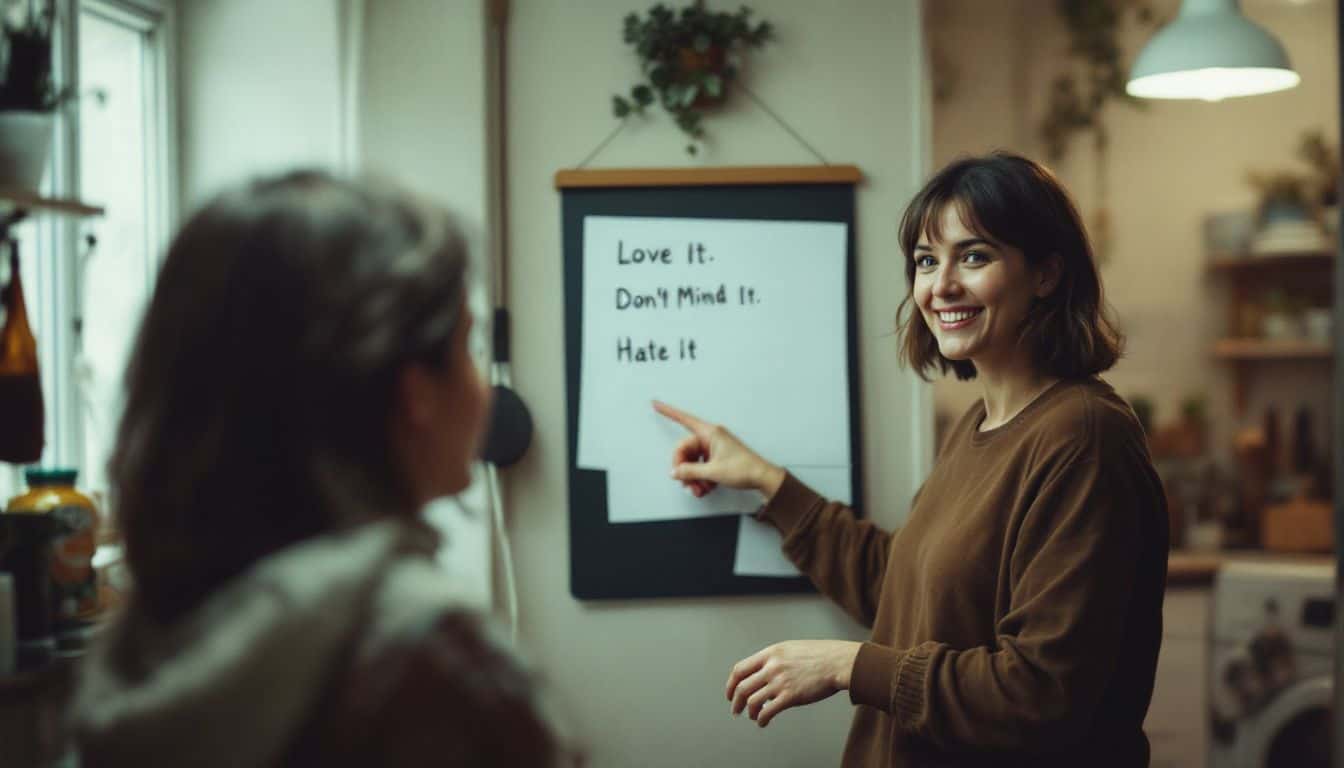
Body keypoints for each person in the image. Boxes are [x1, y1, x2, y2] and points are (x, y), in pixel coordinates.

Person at [656, 152, 1168, 767]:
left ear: (1046, 275)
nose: (941, 285)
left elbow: (1041, 694)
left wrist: (849, 665)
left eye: (973, 256)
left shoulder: (1083, 437)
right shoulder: (979, 425)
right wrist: (767, 482)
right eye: (927, 261)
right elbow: (905, 590)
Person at [73, 171, 569, 767]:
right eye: (467, 346)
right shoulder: (438, 661)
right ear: (414, 394)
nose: (485, 389)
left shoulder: (144, 641)